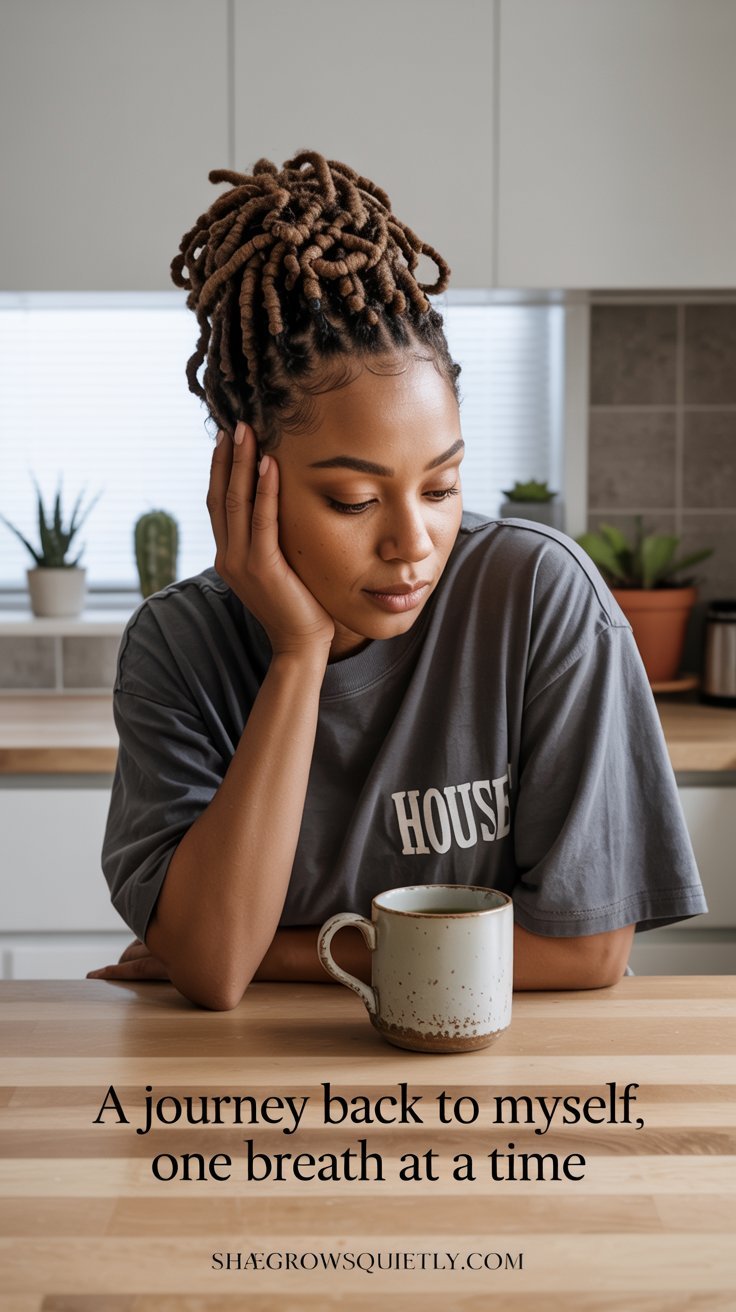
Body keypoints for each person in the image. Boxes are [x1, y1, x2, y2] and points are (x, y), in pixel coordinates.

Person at [88, 150, 708, 1010]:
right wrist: (298, 654)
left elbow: (588, 950)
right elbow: (215, 968)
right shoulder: (178, 647)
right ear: (247, 472)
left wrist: (294, 955)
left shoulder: (537, 600)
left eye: (443, 487)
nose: (414, 543)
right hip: (252, 1112)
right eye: (352, 500)